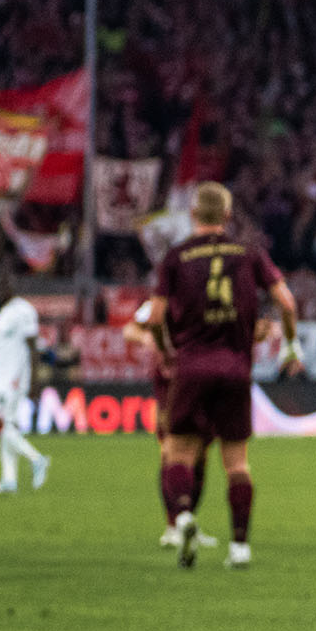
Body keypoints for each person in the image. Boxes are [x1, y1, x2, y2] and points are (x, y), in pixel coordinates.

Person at [148, 182, 301, 570]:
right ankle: (240, 548)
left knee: (179, 452)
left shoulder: (176, 257)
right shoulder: (248, 253)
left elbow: (153, 317)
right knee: (237, 463)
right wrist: (290, 345)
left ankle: (182, 517)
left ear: (194, 214)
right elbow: (286, 301)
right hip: (236, 368)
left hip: (191, 367)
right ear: (228, 216)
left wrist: (166, 351)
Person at [123, 300, 219, 550]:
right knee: (171, 451)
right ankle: (171, 526)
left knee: (200, 457)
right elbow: (130, 329)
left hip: (203, 379)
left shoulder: (208, 294)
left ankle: (188, 521)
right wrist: (148, 338)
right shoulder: (163, 300)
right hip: (172, 380)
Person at [0, 275, 50, 496]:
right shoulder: (2, 313)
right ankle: (9, 480)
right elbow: (1, 352)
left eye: (3, 283)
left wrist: (35, 380)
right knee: (5, 425)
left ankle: (37, 459)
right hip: (0, 378)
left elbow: (33, 347)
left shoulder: (23, 310)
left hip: (14, 379)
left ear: (12, 285)